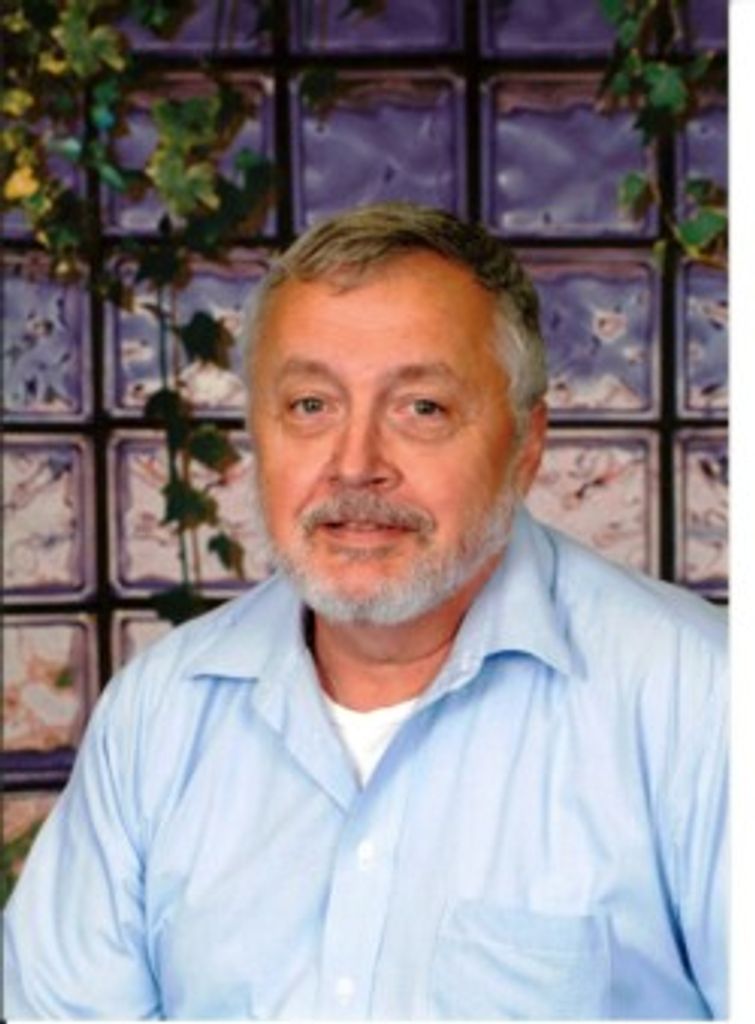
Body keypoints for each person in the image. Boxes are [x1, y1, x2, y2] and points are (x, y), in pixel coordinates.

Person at [4, 202, 727, 1020]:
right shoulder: (158, 714)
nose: (355, 465)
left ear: (526, 444)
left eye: (421, 408)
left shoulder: (701, 700)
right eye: (310, 406)